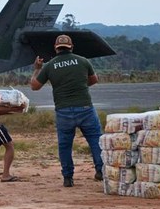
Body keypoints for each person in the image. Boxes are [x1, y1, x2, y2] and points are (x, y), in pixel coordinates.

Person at [30, 34, 104, 187]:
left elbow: (34, 86)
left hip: (63, 111)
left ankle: (68, 178)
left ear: (56, 48)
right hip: (85, 108)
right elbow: (94, 80)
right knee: (95, 140)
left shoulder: (50, 65)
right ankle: (100, 171)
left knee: (65, 145)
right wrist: (79, 85)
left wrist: (37, 69)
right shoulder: (83, 61)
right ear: (71, 47)